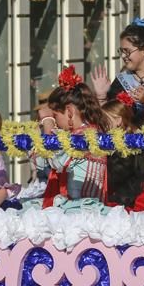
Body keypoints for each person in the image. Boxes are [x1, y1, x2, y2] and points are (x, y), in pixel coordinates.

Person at [39, 67, 110, 211]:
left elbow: (56, 163)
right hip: (78, 207)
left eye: (56, 116)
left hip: (82, 210)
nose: (55, 122)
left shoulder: (84, 137)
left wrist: (47, 125)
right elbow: (42, 161)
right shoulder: (90, 131)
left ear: (70, 111)